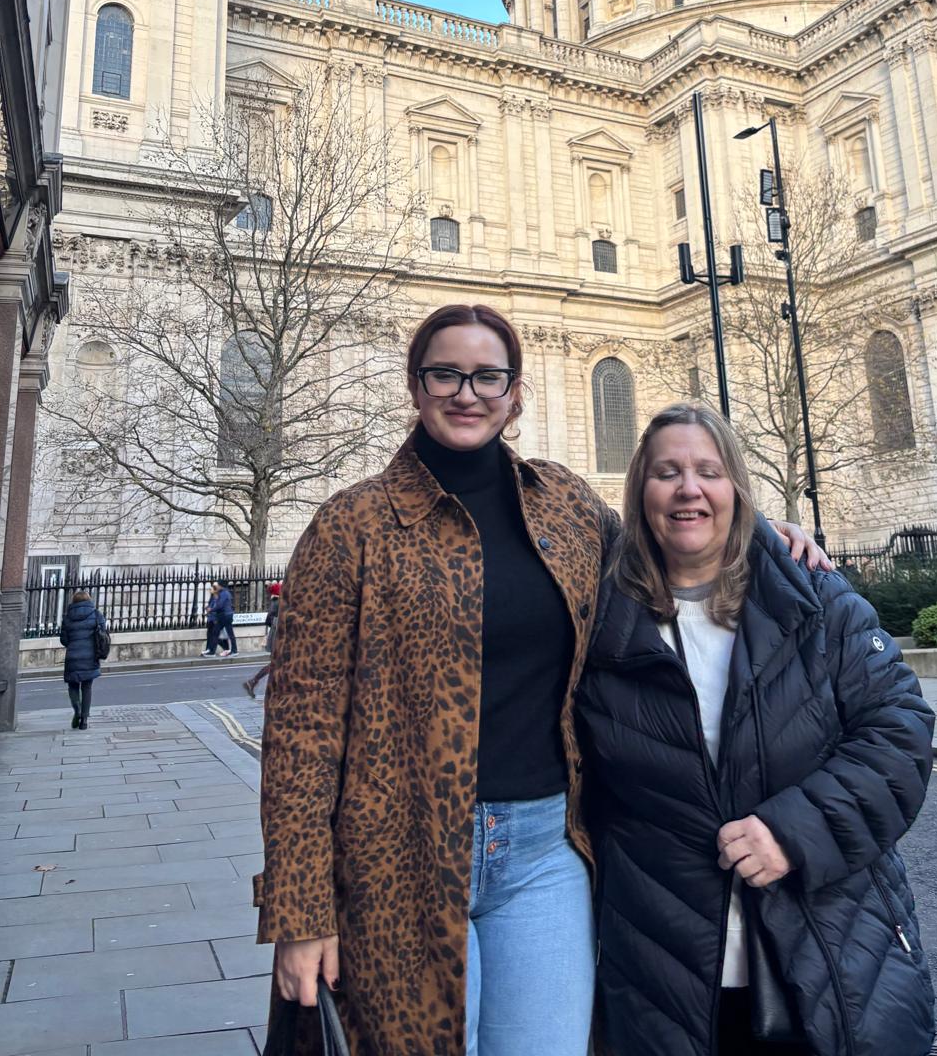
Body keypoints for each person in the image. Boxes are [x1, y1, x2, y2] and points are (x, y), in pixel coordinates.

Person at [255, 303, 825, 1056]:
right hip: (398, 857)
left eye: (488, 376)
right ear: (416, 386)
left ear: (515, 392)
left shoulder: (564, 503)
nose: (467, 393)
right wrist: (300, 914)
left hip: (544, 851)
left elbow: (661, 555)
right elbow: (301, 737)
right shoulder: (350, 525)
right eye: (446, 374)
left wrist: (763, 533)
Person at [576, 402, 936, 1056]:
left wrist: (795, 832)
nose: (688, 489)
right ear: (639, 493)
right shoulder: (600, 624)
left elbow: (899, 734)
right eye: (667, 473)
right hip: (665, 971)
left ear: (736, 489)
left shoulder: (816, 597)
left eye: (709, 472)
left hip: (828, 949)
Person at [59, 588, 108, 730]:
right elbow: (103, 634)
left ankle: (77, 710)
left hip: (72, 657)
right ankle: (84, 720)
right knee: (87, 687)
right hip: (90, 656)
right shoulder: (96, 614)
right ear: (89, 600)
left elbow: (64, 640)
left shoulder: (67, 617)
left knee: (73, 686)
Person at [244, 583, 282, 699]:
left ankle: (273, 690)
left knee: (278, 665)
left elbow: (269, 620)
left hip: (275, 636)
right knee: (277, 664)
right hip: (278, 637)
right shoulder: (279, 602)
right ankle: (254, 682)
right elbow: (270, 619)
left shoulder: (275, 602)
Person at [203, 578, 238, 656]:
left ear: (220, 585)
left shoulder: (224, 593)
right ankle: (212, 651)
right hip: (225, 615)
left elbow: (220, 605)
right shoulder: (224, 592)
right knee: (217, 632)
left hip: (225, 615)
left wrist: (211, 609)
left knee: (226, 633)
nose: (217, 586)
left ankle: (233, 650)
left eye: (218, 585)